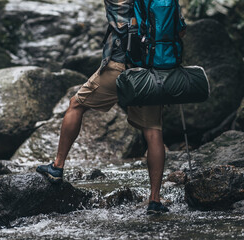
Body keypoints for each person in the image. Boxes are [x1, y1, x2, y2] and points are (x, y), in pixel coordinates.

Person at [37, 0, 184, 214]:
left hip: (118, 66)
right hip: (150, 72)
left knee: (76, 105)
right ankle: (154, 200)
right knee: (153, 131)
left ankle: (57, 166)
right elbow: (179, 31)